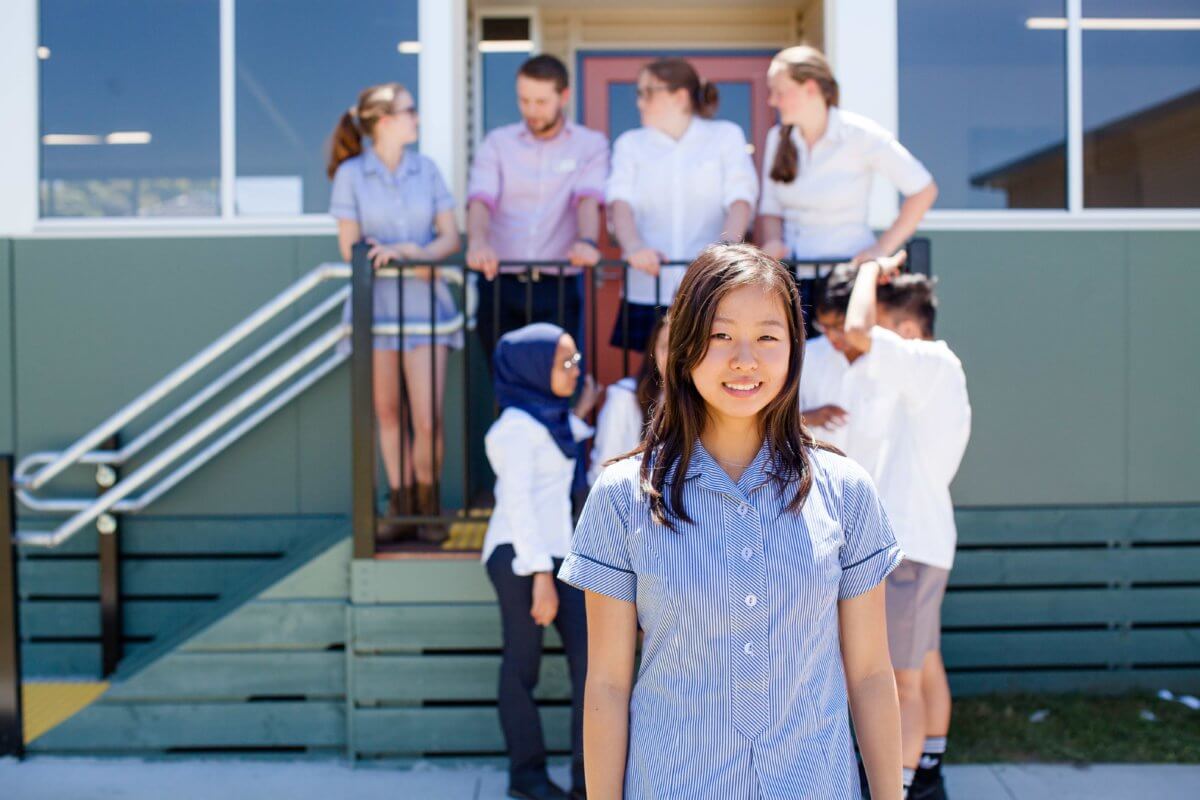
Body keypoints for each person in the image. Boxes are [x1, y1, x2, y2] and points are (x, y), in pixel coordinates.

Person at [560, 243, 905, 799]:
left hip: (812, 784)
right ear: (685, 347)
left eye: (768, 336)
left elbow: (868, 674)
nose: (745, 358)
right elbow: (606, 683)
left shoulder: (845, 491)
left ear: (794, 350)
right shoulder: (623, 497)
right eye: (720, 336)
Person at [840, 259, 971, 800]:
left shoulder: (930, 363)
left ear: (910, 331)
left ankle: (901, 787)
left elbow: (855, 328)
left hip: (908, 549)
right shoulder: (921, 379)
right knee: (923, 663)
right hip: (918, 544)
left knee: (900, 681)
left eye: (886, 327)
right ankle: (928, 774)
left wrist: (869, 268)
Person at [328, 82, 461, 544]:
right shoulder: (352, 174)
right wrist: (379, 255)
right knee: (387, 414)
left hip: (425, 309)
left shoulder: (427, 171)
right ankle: (399, 505)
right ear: (384, 121)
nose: (416, 119)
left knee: (428, 417)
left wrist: (411, 252)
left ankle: (427, 507)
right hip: (377, 310)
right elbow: (351, 247)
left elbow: (449, 238)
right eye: (409, 111)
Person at [482, 323, 599, 800]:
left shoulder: (549, 420)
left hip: (557, 554)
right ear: (532, 369)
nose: (576, 370)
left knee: (591, 666)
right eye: (563, 362)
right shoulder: (513, 429)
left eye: (575, 360)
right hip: (521, 556)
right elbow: (518, 505)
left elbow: (566, 440)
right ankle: (526, 775)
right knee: (522, 665)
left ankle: (586, 782)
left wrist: (583, 407)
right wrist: (540, 578)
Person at [758, 45, 936, 332]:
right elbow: (771, 208)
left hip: (846, 282)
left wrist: (881, 249)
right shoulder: (777, 139)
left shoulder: (860, 135)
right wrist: (773, 243)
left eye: (780, 91)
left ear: (810, 88)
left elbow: (923, 190)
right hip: (791, 283)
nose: (772, 100)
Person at [606, 58, 758, 351]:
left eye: (647, 92)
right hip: (647, 288)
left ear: (679, 96)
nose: (639, 102)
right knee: (648, 383)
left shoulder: (725, 136)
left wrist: (722, 257)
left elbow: (741, 199)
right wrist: (634, 247)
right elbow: (619, 202)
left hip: (707, 288)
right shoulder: (630, 144)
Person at [466, 54, 610, 362]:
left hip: (557, 284)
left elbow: (587, 199)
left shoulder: (590, 145)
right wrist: (477, 242)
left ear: (564, 97)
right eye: (524, 100)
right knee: (505, 378)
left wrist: (586, 241)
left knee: (555, 378)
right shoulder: (497, 143)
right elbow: (481, 198)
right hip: (499, 281)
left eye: (541, 102)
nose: (531, 110)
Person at [586, 314, 669, 485]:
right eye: (665, 347)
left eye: (683, 347)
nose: (673, 356)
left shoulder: (706, 401)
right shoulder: (624, 396)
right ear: (653, 351)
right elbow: (604, 466)